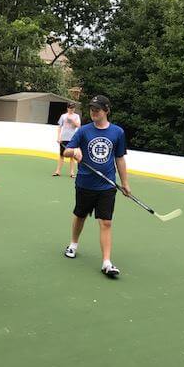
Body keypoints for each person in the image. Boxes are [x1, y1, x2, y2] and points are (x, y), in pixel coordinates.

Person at [63, 95, 130, 278]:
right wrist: (74, 151)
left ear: (106, 111)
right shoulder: (84, 131)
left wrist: (124, 183)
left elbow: (119, 158)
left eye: (97, 109)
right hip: (85, 183)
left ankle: (106, 262)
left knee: (106, 222)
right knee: (80, 215)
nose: (93, 112)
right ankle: (73, 244)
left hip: (106, 185)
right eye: (92, 109)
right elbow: (67, 150)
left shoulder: (117, 132)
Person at [53, 102, 81, 177]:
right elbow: (59, 127)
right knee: (61, 155)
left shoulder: (76, 116)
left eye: (73, 108)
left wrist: (72, 120)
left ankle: (72, 173)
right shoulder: (63, 116)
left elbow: (79, 126)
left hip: (72, 139)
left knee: (72, 156)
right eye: (70, 108)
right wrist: (58, 137)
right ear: (67, 108)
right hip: (64, 138)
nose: (71, 109)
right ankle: (58, 171)